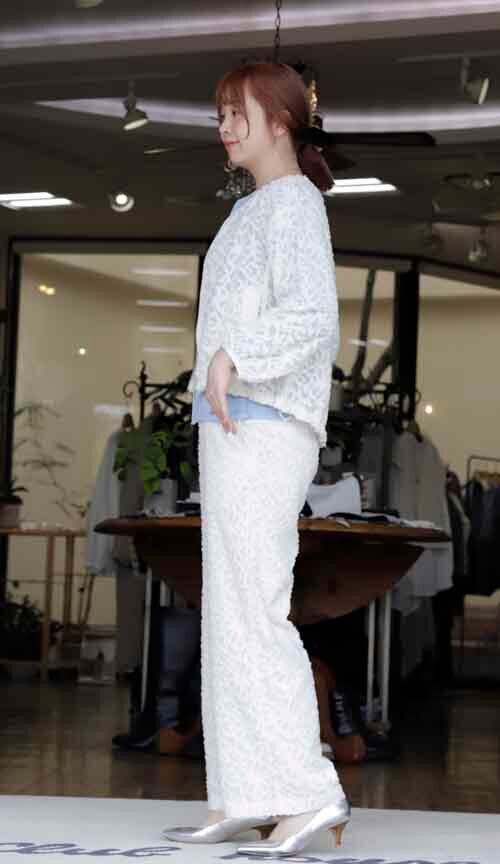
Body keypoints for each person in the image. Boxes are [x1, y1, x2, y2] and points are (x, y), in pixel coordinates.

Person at [162, 60, 350, 858]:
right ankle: (246, 790)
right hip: (234, 424)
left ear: (281, 120)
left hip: (267, 424)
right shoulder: (252, 208)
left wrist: (235, 356)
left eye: (237, 112)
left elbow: (313, 317)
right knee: (232, 609)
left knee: (255, 605)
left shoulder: (296, 203)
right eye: (219, 113)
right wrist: (220, 372)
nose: (224, 126)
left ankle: (307, 791)